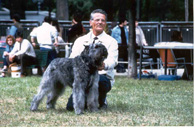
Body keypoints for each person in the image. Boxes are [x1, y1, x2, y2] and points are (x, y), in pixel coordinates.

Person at [66, 9, 118, 111]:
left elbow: (113, 60)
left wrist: (104, 65)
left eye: (103, 20)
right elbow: (72, 59)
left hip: (102, 76)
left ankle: (101, 98)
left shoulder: (112, 41)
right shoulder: (80, 40)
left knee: (99, 82)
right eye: (97, 20)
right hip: (82, 77)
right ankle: (90, 99)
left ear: (105, 23)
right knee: (71, 107)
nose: (100, 22)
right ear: (90, 22)